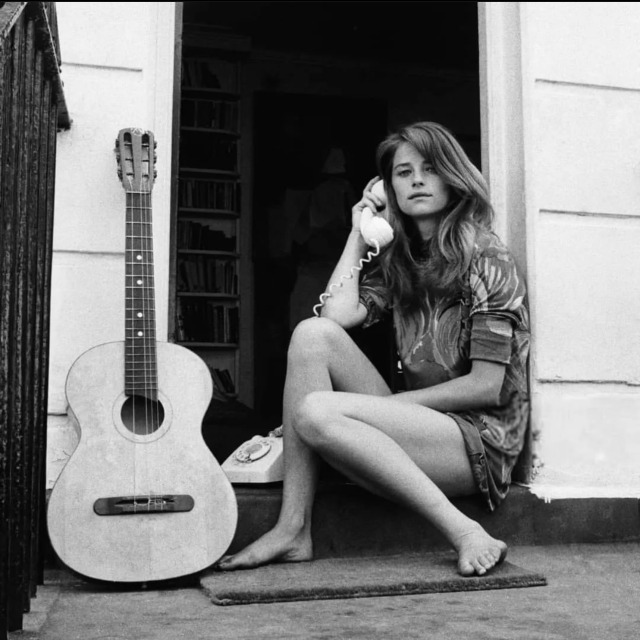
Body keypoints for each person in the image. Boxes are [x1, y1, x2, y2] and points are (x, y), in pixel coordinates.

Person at [217, 121, 530, 576]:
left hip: (477, 444)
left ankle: (466, 531)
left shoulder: (487, 259)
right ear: (388, 188)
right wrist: (359, 232)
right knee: (310, 335)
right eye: (403, 173)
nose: (417, 180)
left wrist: (384, 407)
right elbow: (334, 319)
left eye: (430, 168)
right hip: (414, 425)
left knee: (317, 413)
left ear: (454, 177)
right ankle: (292, 528)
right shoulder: (401, 260)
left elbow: (487, 386)